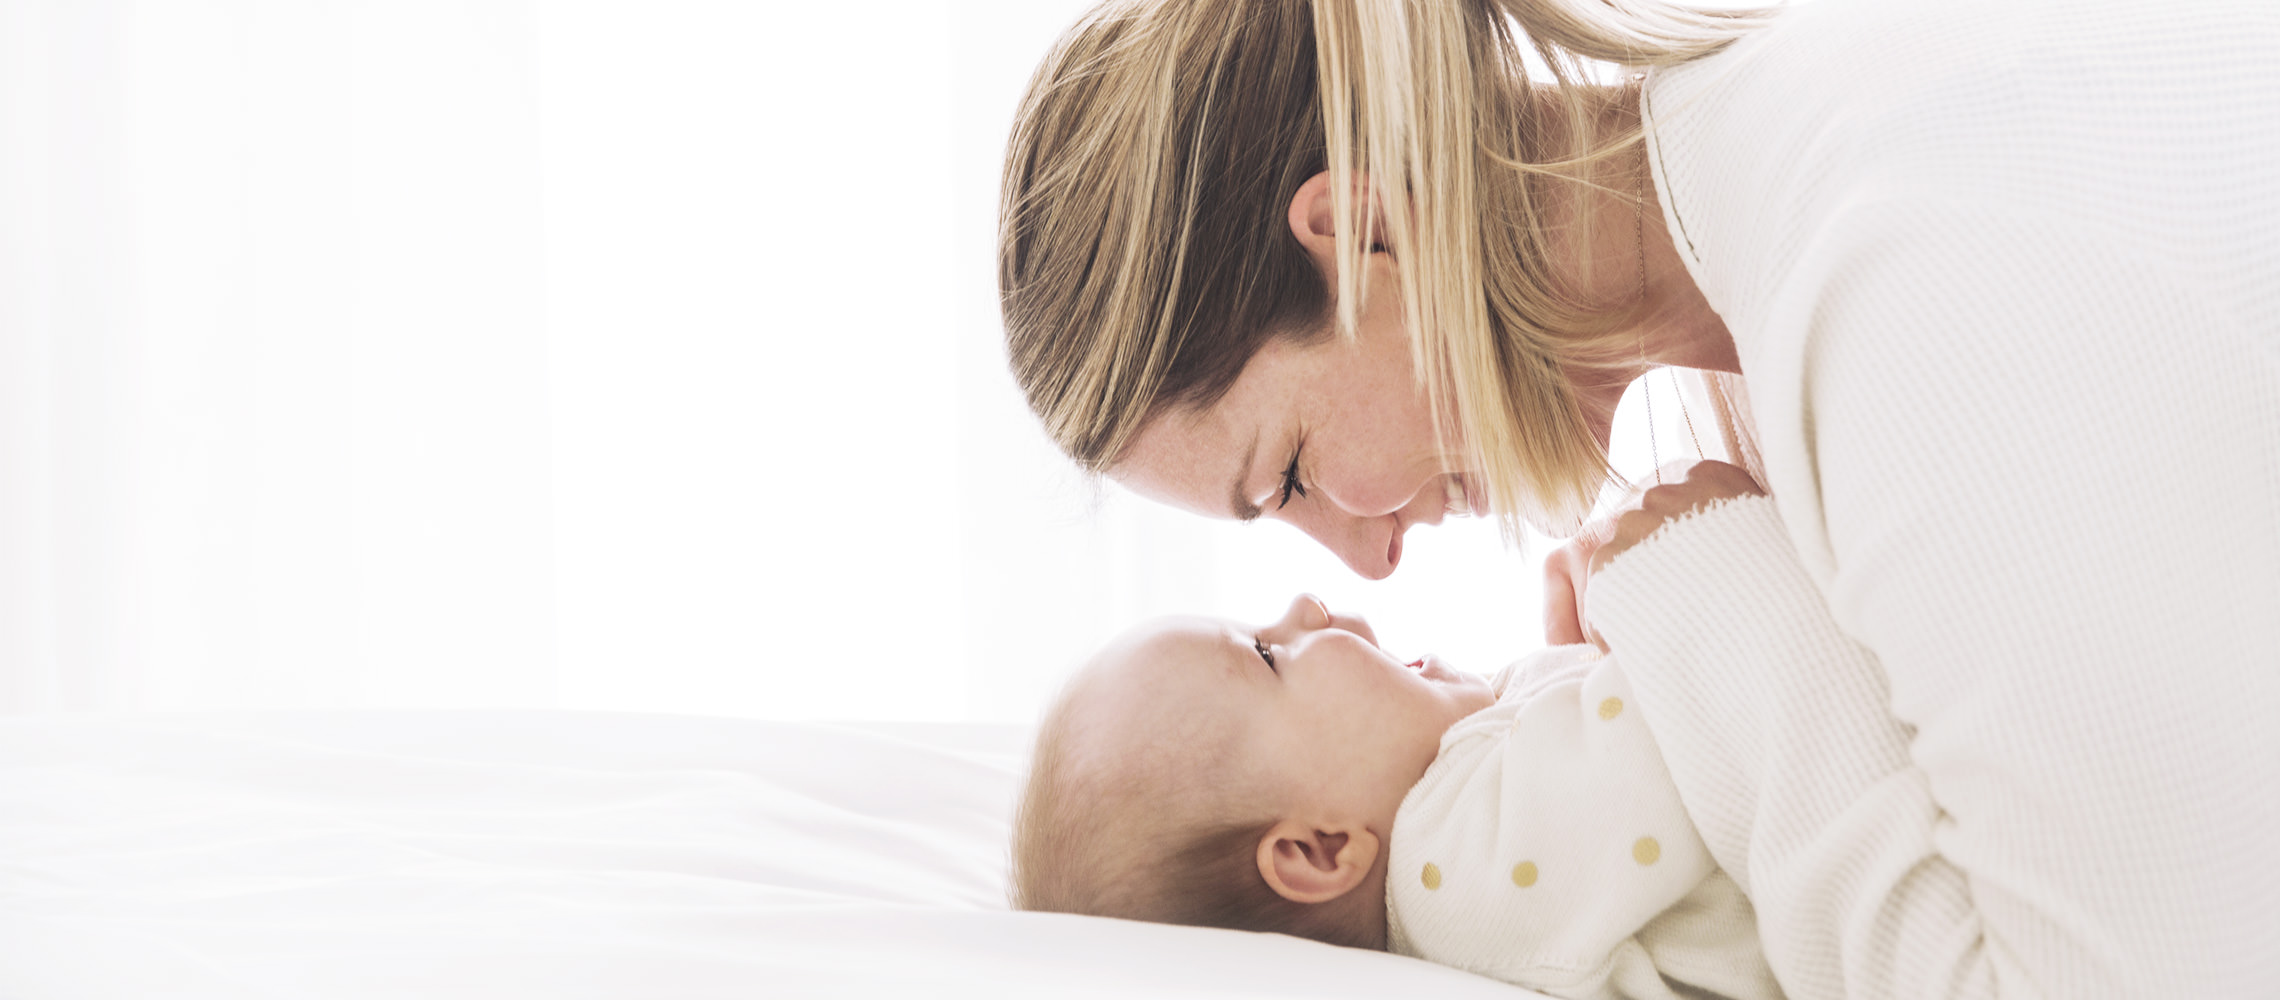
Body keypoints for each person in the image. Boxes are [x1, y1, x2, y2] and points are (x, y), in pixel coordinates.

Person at [996, 0, 2280, 997]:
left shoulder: (1887, 284)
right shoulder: (1777, 230)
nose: (1367, 563)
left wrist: (1714, 602)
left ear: (1364, 237)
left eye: (1286, 475)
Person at [1015, 477, 1805, 1000]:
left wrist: (1577, 647)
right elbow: (1676, 741)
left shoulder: (1465, 824)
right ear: (1320, 852)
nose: (1303, 604)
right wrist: (1662, 571)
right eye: (1266, 653)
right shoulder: (1451, 879)